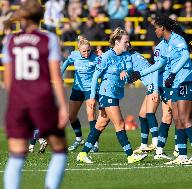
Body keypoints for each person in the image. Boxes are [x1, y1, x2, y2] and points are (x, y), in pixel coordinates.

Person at [2, 1, 68, 189]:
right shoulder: (49, 39)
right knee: (59, 150)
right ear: (41, 17)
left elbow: (7, 82)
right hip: (42, 100)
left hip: (17, 101)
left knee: (17, 155)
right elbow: (56, 76)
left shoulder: (10, 41)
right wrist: (63, 106)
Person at [129, 15, 192, 165]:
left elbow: (185, 55)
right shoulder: (164, 44)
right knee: (177, 119)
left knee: (185, 118)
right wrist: (140, 73)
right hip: (176, 83)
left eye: (156, 28)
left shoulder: (177, 40)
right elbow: (159, 65)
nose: (155, 31)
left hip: (186, 81)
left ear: (162, 27)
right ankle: (182, 155)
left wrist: (173, 72)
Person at [76, 27, 147, 164]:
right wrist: (91, 97)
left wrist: (125, 73)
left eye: (128, 41)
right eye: (126, 42)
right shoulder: (107, 56)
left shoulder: (127, 56)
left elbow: (129, 72)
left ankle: (83, 153)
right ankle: (130, 155)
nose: (128, 44)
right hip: (106, 92)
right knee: (120, 124)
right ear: (117, 42)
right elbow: (96, 76)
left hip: (115, 93)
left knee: (101, 124)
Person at [61, 36, 100, 152]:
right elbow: (67, 62)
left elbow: (101, 69)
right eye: (84, 51)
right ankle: (79, 139)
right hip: (77, 89)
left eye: (88, 50)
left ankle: (94, 143)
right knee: (71, 116)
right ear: (79, 50)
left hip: (91, 90)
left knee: (91, 116)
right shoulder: (74, 55)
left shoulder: (96, 58)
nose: (87, 53)